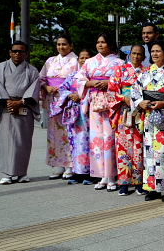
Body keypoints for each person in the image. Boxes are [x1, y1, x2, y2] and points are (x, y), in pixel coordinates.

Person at [132, 40, 164, 202]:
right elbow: (135, 92)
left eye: (158, 51)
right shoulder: (145, 74)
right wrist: (140, 103)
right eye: (152, 51)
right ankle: (152, 187)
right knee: (150, 153)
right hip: (149, 117)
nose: (154, 54)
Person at [75, 33, 124, 191]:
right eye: (98, 42)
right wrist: (91, 83)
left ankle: (111, 176)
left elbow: (124, 82)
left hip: (112, 103)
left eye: (103, 42)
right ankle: (102, 175)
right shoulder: (89, 62)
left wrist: (108, 83)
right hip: (95, 102)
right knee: (96, 139)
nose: (100, 45)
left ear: (110, 44)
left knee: (110, 138)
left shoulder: (119, 62)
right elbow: (79, 79)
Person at [0, 41, 40, 185]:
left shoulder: (32, 70)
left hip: (24, 107)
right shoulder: (0, 68)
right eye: (14, 51)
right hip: (5, 107)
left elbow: (34, 90)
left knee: (23, 142)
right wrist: (8, 102)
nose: (17, 54)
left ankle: (22, 173)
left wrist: (20, 102)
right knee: (5, 141)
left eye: (21, 51)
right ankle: (7, 174)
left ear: (26, 54)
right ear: (10, 53)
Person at [108, 45, 147, 196]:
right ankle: (124, 182)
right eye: (134, 53)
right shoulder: (119, 70)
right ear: (129, 55)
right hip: (124, 111)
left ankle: (138, 181)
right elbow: (111, 91)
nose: (136, 56)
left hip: (140, 112)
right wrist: (124, 98)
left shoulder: (146, 71)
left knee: (139, 147)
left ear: (144, 57)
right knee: (123, 146)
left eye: (140, 54)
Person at [40, 34, 80, 180]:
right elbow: (42, 78)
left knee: (68, 132)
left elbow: (79, 79)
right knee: (53, 133)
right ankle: (57, 165)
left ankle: (70, 165)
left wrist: (69, 92)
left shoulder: (76, 61)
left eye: (64, 44)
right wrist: (46, 87)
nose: (61, 47)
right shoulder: (50, 61)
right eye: (58, 44)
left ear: (71, 46)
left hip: (68, 100)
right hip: (53, 100)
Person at [59, 49, 93, 185]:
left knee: (89, 142)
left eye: (87, 58)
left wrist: (81, 96)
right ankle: (77, 172)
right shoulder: (73, 75)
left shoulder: (92, 76)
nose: (84, 60)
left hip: (89, 113)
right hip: (75, 115)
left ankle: (90, 173)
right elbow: (62, 88)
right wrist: (70, 95)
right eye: (81, 58)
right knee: (75, 143)